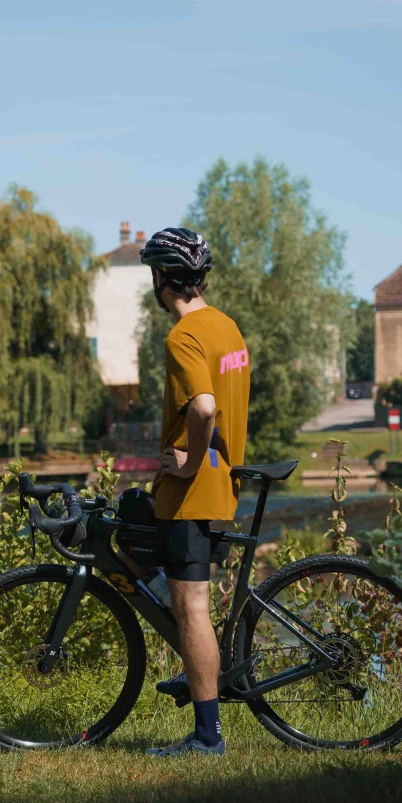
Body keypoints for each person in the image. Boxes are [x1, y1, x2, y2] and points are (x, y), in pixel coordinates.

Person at [139, 227, 250, 757]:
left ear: (163, 278)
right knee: (181, 598)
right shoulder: (227, 328)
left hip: (193, 489)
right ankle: (197, 670)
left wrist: (185, 464)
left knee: (193, 608)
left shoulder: (183, 335)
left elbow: (204, 407)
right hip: (222, 481)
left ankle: (208, 737)